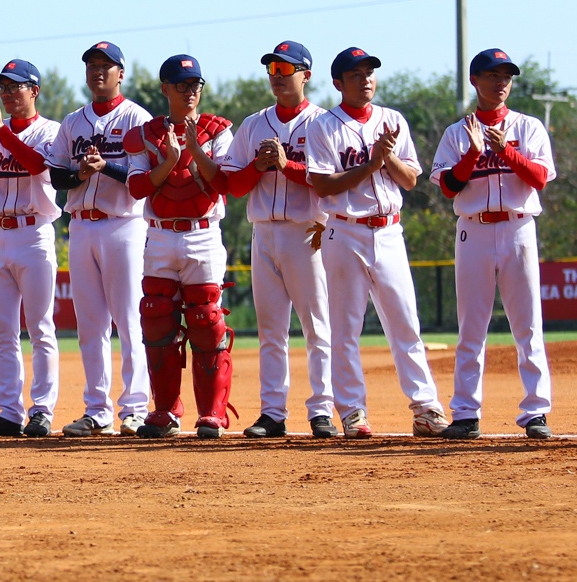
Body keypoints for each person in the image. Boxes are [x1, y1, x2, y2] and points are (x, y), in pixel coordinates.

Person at [304, 48, 445, 439]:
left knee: (405, 323)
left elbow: (411, 179)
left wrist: (386, 159)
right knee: (345, 327)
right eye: (355, 74)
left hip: (388, 231)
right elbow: (322, 183)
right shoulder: (323, 126)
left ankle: (425, 408)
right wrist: (371, 163)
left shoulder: (392, 120)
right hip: (344, 230)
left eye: (369, 72)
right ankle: (352, 411)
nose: (365, 79)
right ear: (338, 83)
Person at [428, 49, 557, 440]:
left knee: (528, 326)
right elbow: (449, 186)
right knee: (471, 328)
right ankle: (466, 414)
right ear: (474, 80)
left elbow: (539, 178)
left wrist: (505, 151)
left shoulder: (528, 126)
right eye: (491, 74)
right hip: (474, 230)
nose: (500, 82)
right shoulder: (456, 132)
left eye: (506, 75)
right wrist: (472, 154)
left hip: (519, 229)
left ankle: (536, 413)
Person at [224, 41, 336, 439]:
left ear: (306, 75)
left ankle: (322, 410)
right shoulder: (254, 124)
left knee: (317, 327)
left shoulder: (324, 123)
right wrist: (259, 164)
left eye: (286, 68)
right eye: (272, 67)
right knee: (271, 331)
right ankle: (273, 412)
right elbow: (232, 186)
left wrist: (287, 166)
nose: (277, 74)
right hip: (264, 233)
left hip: (309, 231)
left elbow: (329, 184)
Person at [124, 54, 236, 438]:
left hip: (203, 232)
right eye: (182, 85)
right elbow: (137, 187)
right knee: (157, 318)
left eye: (196, 86)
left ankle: (212, 413)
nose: (190, 92)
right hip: (159, 232)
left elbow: (223, 183)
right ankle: (166, 410)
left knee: (206, 318)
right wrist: (171, 158)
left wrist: (195, 150)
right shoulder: (147, 133)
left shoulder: (218, 130)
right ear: (165, 88)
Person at [47, 41, 153, 436]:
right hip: (81, 225)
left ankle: (136, 408)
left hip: (123, 224)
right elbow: (56, 175)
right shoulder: (73, 121)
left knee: (129, 319)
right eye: (92, 65)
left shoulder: (137, 119)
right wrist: (81, 176)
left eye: (106, 66)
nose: (98, 71)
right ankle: (97, 409)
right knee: (90, 324)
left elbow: (142, 177)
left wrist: (106, 167)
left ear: (121, 73)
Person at [0, 59, 62, 438]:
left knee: (40, 327)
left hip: (33, 232)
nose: (8, 94)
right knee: (3, 331)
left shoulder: (51, 131)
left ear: (34, 91)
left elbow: (37, 166)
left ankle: (41, 409)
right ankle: (9, 411)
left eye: (15, 87)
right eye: (3, 88)